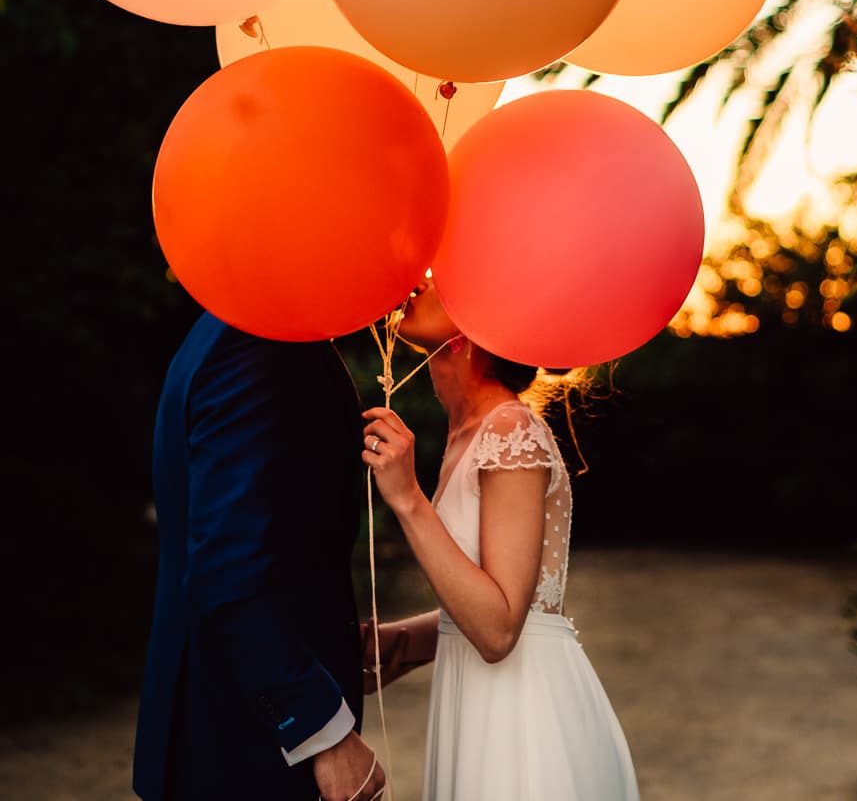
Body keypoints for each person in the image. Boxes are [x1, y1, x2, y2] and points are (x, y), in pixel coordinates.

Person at [361, 279, 640, 800]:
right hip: (477, 701)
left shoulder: (509, 429)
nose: (418, 283)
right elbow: (510, 596)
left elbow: (499, 629)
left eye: (440, 278)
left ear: (474, 324)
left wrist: (408, 498)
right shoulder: (468, 429)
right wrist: (401, 643)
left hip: (523, 718)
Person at [133, 311, 386, 801]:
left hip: (233, 731)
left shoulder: (227, 332)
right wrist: (322, 734)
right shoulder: (255, 349)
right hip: (241, 745)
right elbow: (226, 574)